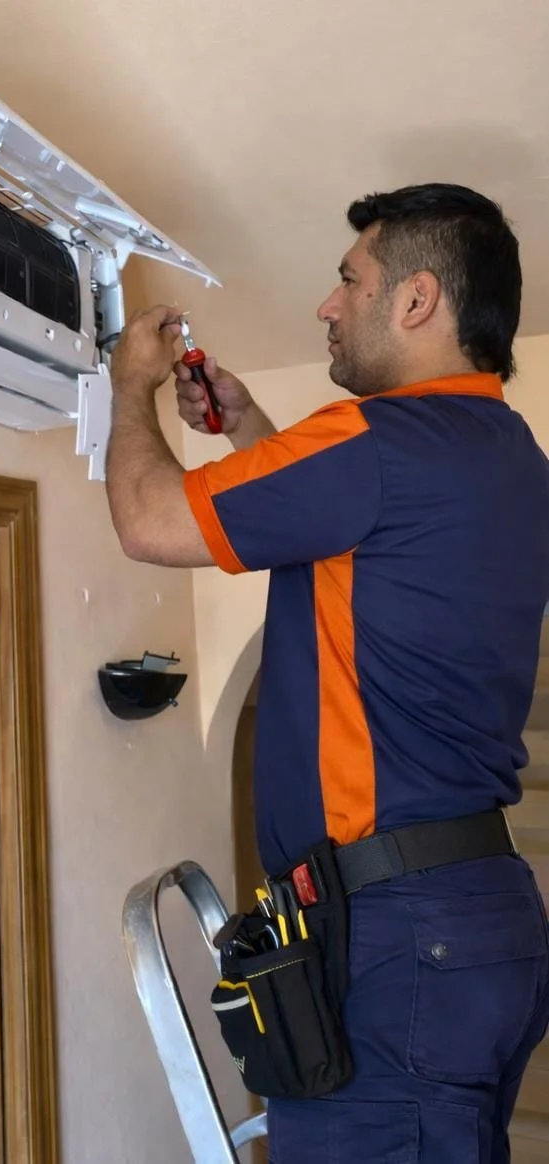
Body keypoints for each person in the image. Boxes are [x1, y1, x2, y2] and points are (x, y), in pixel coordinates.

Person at [105, 183, 549, 1163]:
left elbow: (147, 518)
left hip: (395, 943)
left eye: (347, 280)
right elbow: (351, 541)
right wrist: (247, 422)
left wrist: (124, 386)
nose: (325, 305)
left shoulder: (373, 443)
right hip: (476, 920)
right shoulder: (509, 457)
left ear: (416, 300)